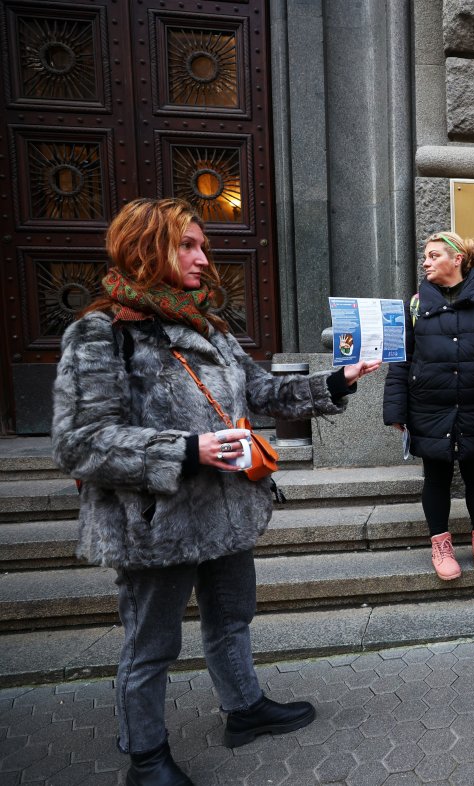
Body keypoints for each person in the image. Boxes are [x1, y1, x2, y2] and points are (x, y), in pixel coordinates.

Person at [51, 198, 380, 786]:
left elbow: (261, 392)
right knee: (151, 645)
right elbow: (81, 442)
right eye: (188, 245)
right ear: (145, 248)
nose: (204, 258)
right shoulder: (100, 334)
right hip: (156, 521)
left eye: (202, 246)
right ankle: (146, 758)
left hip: (226, 512)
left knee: (231, 619)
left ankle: (244, 709)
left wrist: (337, 380)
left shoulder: (209, 326)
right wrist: (187, 449)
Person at [383, 230, 474, 581]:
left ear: (456, 259)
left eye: (433, 256)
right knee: (436, 476)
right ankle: (441, 546)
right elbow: (400, 360)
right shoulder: (415, 305)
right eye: (425, 256)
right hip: (429, 406)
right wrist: (396, 409)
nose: (425, 263)